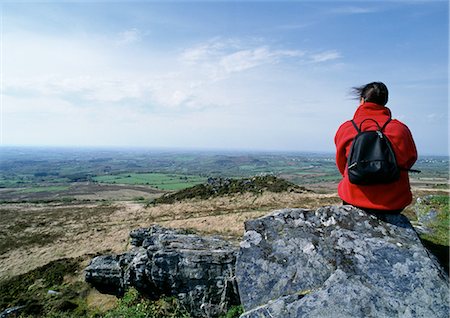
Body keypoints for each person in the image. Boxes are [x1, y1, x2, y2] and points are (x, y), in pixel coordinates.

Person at [335, 82, 418, 214]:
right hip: (394, 201)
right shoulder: (400, 129)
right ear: (385, 102)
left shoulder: (346, 128)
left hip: (353, 197)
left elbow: (342, 164)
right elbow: (410, 158)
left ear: (362, 100)